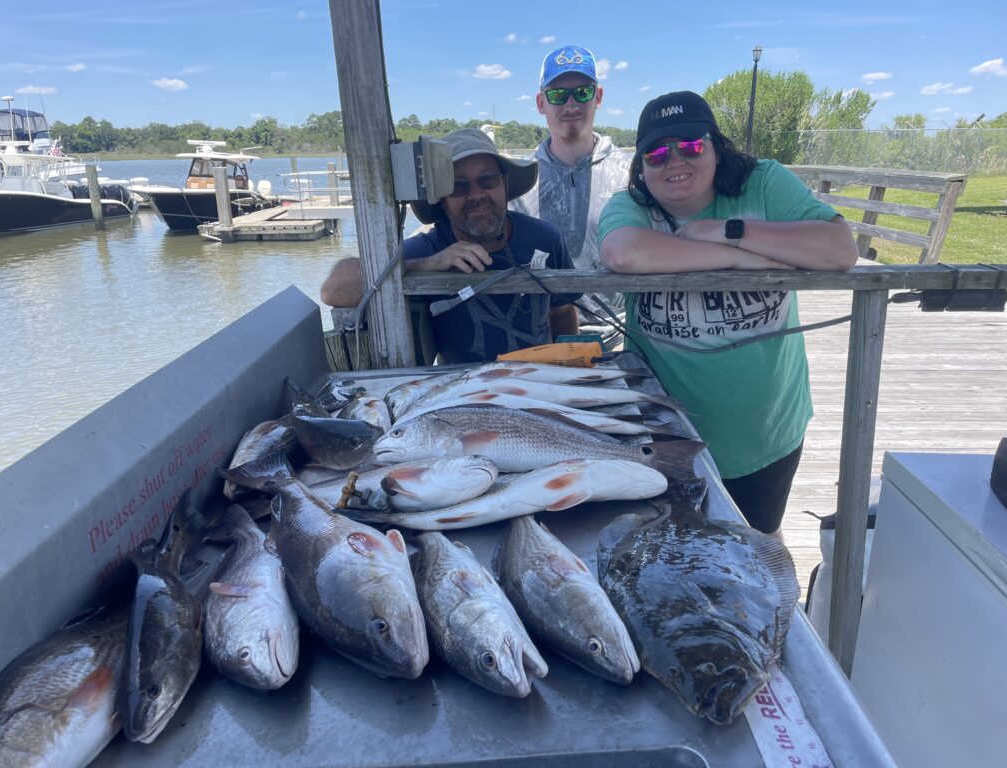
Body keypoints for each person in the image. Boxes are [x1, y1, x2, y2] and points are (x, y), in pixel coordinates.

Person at [597, 91, 857, 536]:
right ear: (641, 167)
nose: (674, 160)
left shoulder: (765, 182)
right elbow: (621, 252)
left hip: (765, 431)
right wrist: (737, 259)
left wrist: (726, 231)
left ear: (717, 147)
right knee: (675, 552)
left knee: (761, 542)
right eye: (656, 153)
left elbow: (840, 250)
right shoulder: (633, 207)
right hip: (664, 436)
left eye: (691, 146)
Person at [320, 128, 578, 364]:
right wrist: (426, 265)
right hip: (460, 389)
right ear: (442, 201)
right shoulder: (431, 248)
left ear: (505, 185)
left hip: (540, 377)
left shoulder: (546, 239)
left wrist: (566, 366)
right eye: (458, 186)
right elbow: (333, 290)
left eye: (487, 180)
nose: (476, 195)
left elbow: (564, 311)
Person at [511, 45, 631, 324]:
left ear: (598, 97)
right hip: (548, 338)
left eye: (583, 92)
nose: (571, 104)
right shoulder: (520, 181)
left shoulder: (630, 174)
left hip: (623, 337)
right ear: (541, 103)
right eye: (557, 95)